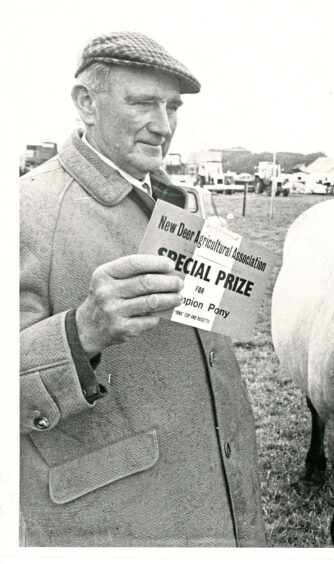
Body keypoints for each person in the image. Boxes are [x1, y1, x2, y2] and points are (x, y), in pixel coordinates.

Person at [19, 31, 265, 547]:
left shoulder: (183, 201)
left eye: (172, 106)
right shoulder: (24, 210)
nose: (164, 124)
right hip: (117, 525)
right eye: (142, 103)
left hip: (219, 498)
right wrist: (80, 331)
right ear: (86, 103)